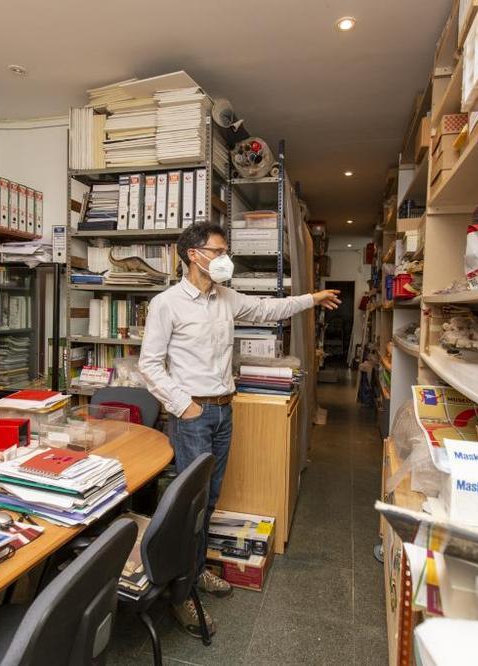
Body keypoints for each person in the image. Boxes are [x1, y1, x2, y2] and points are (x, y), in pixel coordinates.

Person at [139, 221, 341, 637]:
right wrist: (185, 406)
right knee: (188, 507)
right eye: (219, 250)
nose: (225, 258)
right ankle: (180, 597)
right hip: (192, 416)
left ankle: (194, 575)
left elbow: (269, 309)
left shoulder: (225, 298)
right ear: (194, 255)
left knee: (209, 501)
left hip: (223, 412)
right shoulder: (167, 304)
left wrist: (312, 298)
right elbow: (149, 366)